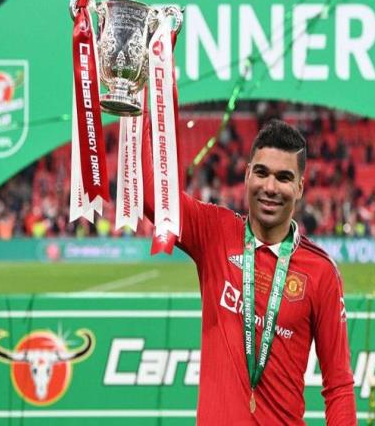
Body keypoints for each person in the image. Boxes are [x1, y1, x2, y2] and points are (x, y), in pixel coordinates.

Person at [143, 119, 356, 425]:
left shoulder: (321, 272)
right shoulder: (214, 232)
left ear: (299, 187)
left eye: (284, 177)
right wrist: (139, 115)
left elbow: (338, 386)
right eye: (261, 173)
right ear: (246, 175)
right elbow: (153, 198)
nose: (270, 187)